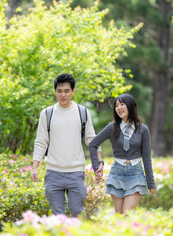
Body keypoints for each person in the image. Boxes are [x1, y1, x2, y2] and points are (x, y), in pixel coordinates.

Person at [31, 73, 102, 217]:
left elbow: (92, 140)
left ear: (73, 91)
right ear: (55, 91)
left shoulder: (82, 112)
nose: (63, 95)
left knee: (77, 213)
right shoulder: (47, 113)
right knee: (58, 217)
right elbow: (41, 141)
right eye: (59, 91)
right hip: (53, 173)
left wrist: (99, 164)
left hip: (76, 173)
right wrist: (34, 167)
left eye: (67, 91)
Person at [89, 93, 156, 214]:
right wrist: (97, 165)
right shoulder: (112, 127)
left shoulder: (143, 129)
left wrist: (151, 183)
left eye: (122, 104)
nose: (119, 108)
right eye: (116, 105)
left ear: (130, 106)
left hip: (136, 173)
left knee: (126, 215)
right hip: (117, 173)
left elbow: (146, 157)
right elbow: (93, 144)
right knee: (119, 217)